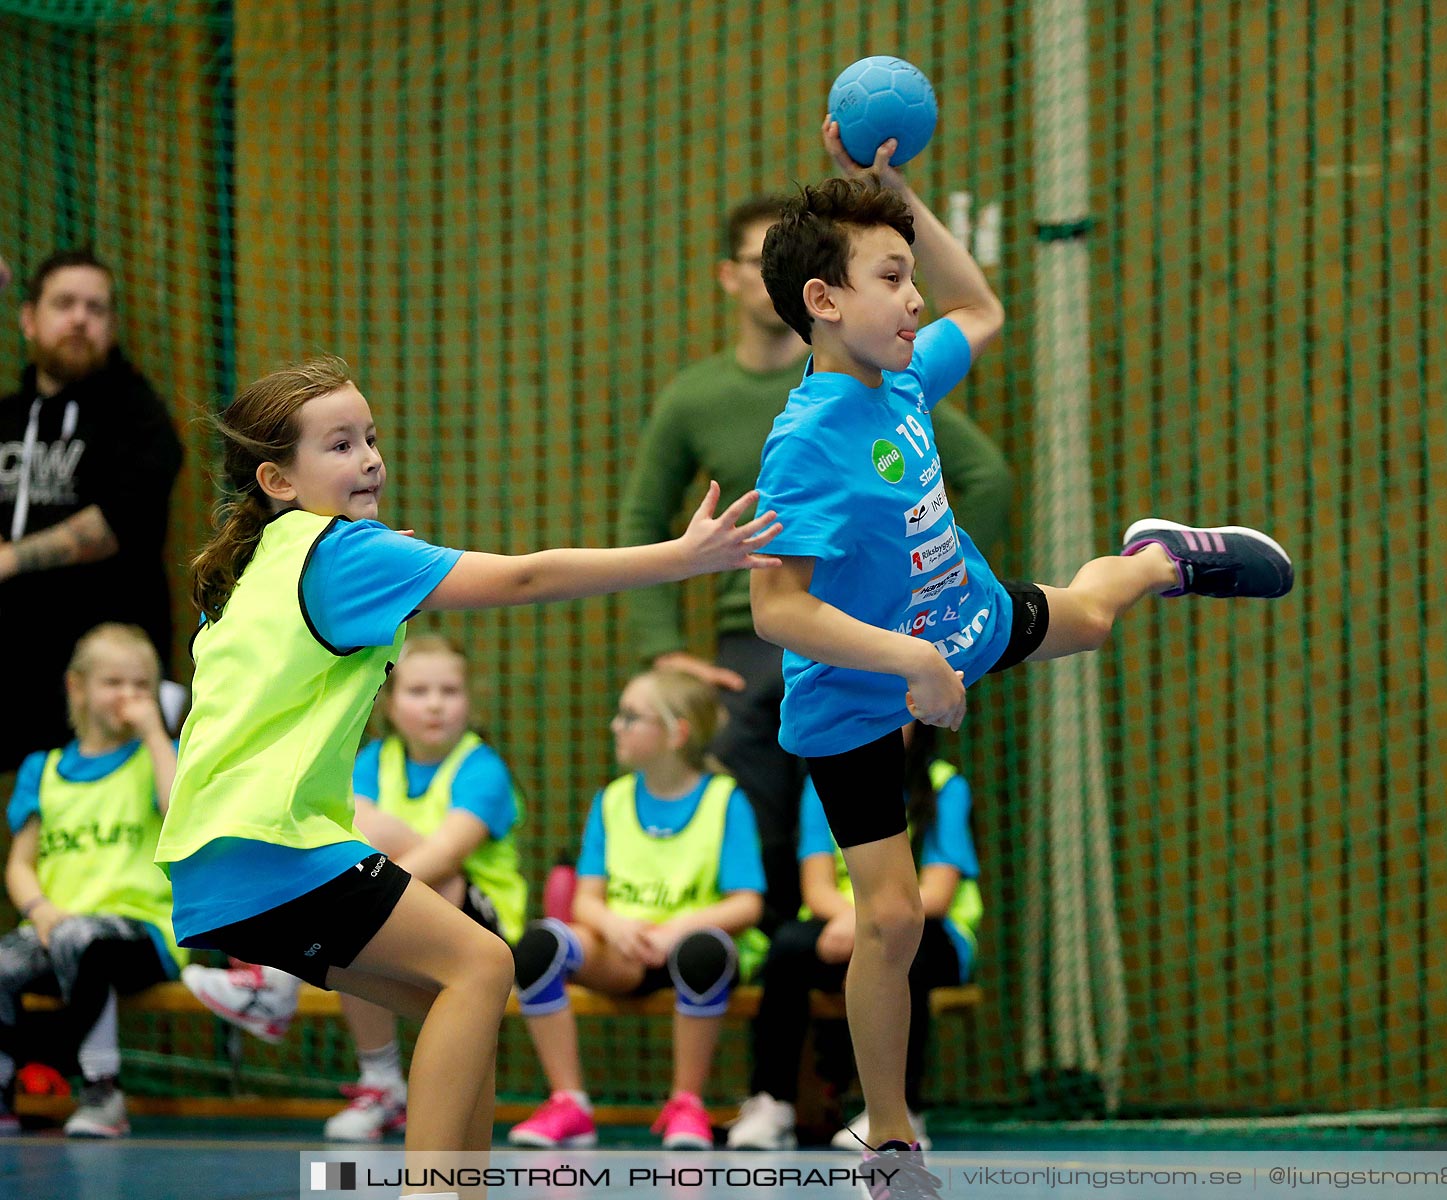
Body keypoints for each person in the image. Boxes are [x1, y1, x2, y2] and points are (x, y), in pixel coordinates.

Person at [748, 123, 1294, 1185]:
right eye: (891, 277)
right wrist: (907, 668)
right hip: (855, 697)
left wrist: (898, 191)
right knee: (893, 920)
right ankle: (892, 1133)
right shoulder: (805, 440)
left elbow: (983, 307)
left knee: (1090, 619)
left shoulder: (902, 378)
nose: (916, 299)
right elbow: (778, 611)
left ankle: (1161, 558)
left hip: (966, 613)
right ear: (823, 301)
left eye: (912, 277)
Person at [154, 356, 779, 1192]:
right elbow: (525, 575)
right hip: (276, 845)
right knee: (484, 965)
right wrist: (681, 557)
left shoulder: (253, 566)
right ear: (277, 476)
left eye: (370, 437)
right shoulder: (343, 554)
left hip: (209, 863)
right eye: (338, 445)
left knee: (463, 995)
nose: (369, 458)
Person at [619, 198, 1013, 929]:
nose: (908, 297)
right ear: (737, 278)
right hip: (748, 651)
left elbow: (980, 469)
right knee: (767, 854)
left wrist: (941, 593)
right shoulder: (698, 398)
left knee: (881, 885)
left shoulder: (876, 376)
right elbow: (646, 523)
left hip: (867, 634)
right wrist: (665, 651)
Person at [179, 633, 530, 1143]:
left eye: (449, 691)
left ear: (469, 701)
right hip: (402, 903)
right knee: (361, 928)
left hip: (480, 923)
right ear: (388, 702)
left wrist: (369, 892)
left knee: (362, 859)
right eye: (418, 691)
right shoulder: (372, 762)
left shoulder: (481, 768)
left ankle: (278, 981)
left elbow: (448, 854)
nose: (435, 704)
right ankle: (382, 1083)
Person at [508, 669, 766, 1151]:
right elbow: (587, 898)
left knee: (703, 952)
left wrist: (675, 929)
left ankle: (687, 1104)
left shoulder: (724, 799)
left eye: (630, 717)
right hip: (621, 950)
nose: (615, 726)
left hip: (690, 948)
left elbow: (747, 903)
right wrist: (615, 925)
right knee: (539, 946)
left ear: (676, 733)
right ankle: (569, 1102)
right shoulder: (613, 799)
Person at [729, 722, 978, 1151]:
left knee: (904, 951)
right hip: (842, 922)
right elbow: (817, 887)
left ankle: (901, 1111)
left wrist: (873, 924)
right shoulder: (822, 780)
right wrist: (860, 923)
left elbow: (937, 893)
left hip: (925, 929)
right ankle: (772, 1101)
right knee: (787, 947)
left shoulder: (945, 786)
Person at [0, 250, 184, 773]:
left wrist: (11, 559)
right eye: (64, 304)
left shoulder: (136, 414)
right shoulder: (7, 418)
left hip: (102, 674)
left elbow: (120, 521)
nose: (80, 318)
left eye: (96, 308)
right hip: (12, 666)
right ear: (29, 320)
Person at [1, 623, 186, 1138]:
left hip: (140, 935)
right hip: (53, 927)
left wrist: (155, 735)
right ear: (76, 688)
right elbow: (20, 863)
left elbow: (179, 815)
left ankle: (103, 1091)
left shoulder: (160, 758)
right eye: (114, 683)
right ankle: (5, 1093)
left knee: (82, 940)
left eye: (142, 685)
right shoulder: (44, 768)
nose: (129, 696)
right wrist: (38, 908)